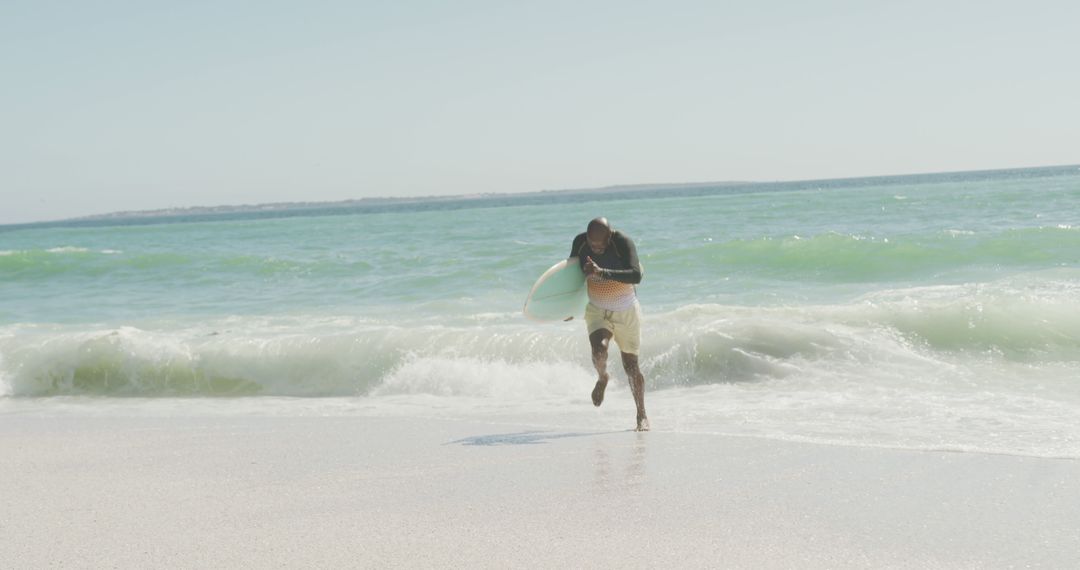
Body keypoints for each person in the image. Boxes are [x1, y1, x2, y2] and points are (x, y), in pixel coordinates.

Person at [569, 217, 649, 431]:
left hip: (625, 310)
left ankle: (641, 414)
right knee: (599, 350)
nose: (595, 248)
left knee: (631, 366)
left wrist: (601, 272)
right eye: (592, 244)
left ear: (609, 236)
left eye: (600, 244)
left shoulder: (622, 242)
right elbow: (571, 276)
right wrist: (567, 306)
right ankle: (603, 377)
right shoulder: (580, 244)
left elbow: (636, 275)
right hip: (597, 309)